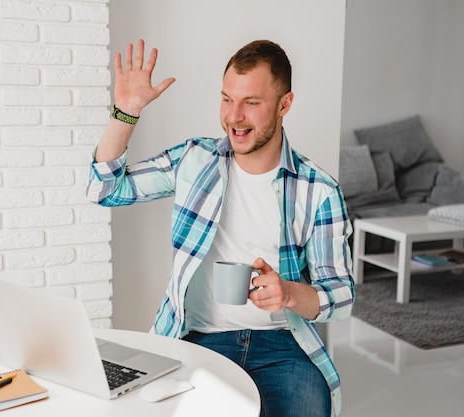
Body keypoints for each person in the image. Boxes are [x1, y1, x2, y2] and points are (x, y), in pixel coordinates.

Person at [87, 39, 355, 417]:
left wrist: (288, 293)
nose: (234, 116)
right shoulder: (195, 160)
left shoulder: (319, 191)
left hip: (283, 346)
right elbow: (104, 190)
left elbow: (341, 296)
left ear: (285, 104)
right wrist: (126, 112)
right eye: (227, 99)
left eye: (251, 102)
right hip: (197, 341)